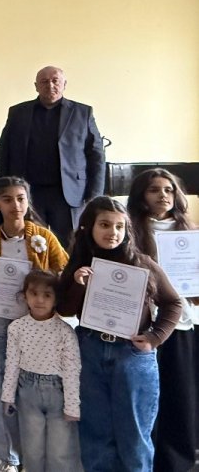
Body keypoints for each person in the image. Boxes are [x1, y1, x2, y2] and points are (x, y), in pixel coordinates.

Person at [58, 196, 182, 472]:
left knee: (134, 436)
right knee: (95, 433)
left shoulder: (142, 263)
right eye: (104, 225)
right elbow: (64, 309)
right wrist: (78, 284)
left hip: (132, 355)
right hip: (89, 351)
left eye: (119, 226)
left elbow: (173, 303)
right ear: (88, 227)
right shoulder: (79, 264)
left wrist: (155, 338)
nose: (112, 232)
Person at [0, 176, 68, 472]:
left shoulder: (44, 236)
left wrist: (45, 282)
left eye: (21, 198)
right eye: (8, 199)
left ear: (28, 201)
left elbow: (63, 271)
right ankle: (9, 457)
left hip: (37, 326)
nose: (16, 205)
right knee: (1, 391)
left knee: (35, 392)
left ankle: (35, 457)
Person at [126, 169, 198, 472]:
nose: (163, 195)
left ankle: (178, 462)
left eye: (168, 190)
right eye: (154, 190)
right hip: (145, 325)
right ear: (142, 195)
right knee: (147, 396)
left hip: (181, 324)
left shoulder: (190, 232)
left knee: (180, 395)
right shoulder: (130, 230)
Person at [0, 66, 105, 247]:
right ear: (36, 86)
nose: (50, 85)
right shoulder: (18, 112)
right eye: (44, 82)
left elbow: (96, 156)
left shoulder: (83, 112)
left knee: (67, 246)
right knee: (28, 244)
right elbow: (4, 151)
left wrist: (95, 196)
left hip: (68, 194)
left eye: (55, 81)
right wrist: (2, 188)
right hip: (28, 193)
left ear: (64, 84)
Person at [1, 270, 80, 472]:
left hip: (58, 393)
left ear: (56, 299)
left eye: (47, 295)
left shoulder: (65, 332)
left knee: (60, 450)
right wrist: (8, 396)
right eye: (34, 293)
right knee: (32, 449)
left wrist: (72, 406)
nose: (39, 300)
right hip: (28, 393)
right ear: (24, 296)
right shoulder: (16, 328)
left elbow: (72, 370)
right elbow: (12, 364)